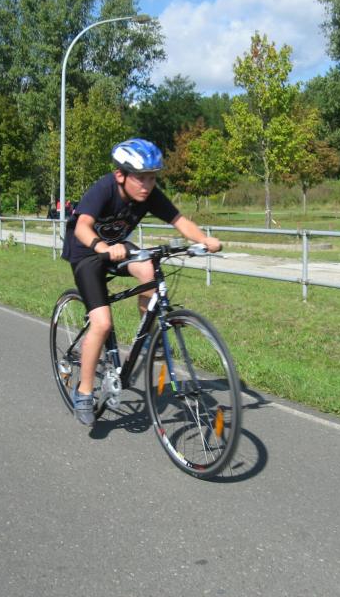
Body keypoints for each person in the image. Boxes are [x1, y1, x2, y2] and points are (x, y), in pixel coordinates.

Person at [62, 138, 221, 427]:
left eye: (152, 178)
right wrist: (101, 247)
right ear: (120, 175)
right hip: (86, 251)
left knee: (149, 269)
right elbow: (82, 226)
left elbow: (179, 221)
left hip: (117, 248)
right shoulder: (104, 189)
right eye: (141, 178)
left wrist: (204, 239)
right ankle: (84, 392)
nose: (147, 185)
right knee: (102, 323)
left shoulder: (148, 195)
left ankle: (148, 337)